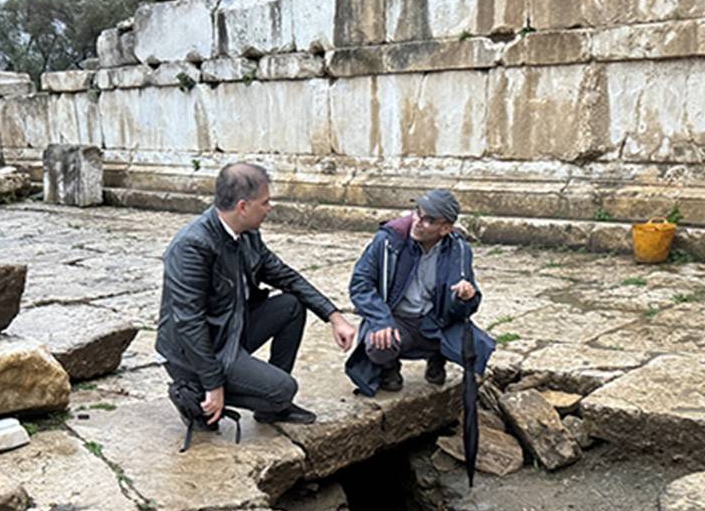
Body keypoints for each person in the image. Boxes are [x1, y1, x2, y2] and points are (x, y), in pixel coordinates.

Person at [157, 162, 358, 428]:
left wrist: (333, 315)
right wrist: (212, 382)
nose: (269, 207)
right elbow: (189, 322)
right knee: (283, 390)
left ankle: (270, 406)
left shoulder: (248, 234)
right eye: (264, 202)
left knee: (291, 305)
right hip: (195, 351)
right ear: (243, 207)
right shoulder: (192, 246)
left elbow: (285, 276)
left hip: (231, 330)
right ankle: (194, 394)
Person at [345, 189, 496, 396]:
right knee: (378, 344)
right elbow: (360, 284)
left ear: (445, 229)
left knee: (475, 348)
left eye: (429, 220)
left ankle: (437, 357)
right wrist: (381, 320)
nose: (417, 221)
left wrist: (466, 297)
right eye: (417, 212)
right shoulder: (389, 241)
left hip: (435, 321)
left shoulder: (458, 250)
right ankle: (389, 368)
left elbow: (466, 309)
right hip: (397, 319)